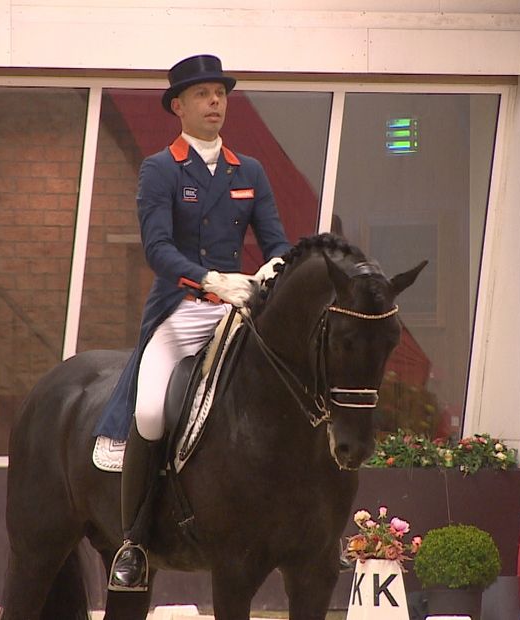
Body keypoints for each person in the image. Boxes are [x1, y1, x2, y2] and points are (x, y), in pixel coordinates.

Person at [97, 53, 291, 592]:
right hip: (182, 311)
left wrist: (278, 268)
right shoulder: (161, 168)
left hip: (238, 309)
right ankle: (134, 541)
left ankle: (305, 528)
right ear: (178, 106)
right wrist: (211, 280)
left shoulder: (248, 170)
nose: (214, 103)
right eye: (203, 95)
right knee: (153, 411)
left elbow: (275, 241)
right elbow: (157, 249)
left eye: (221, 94)